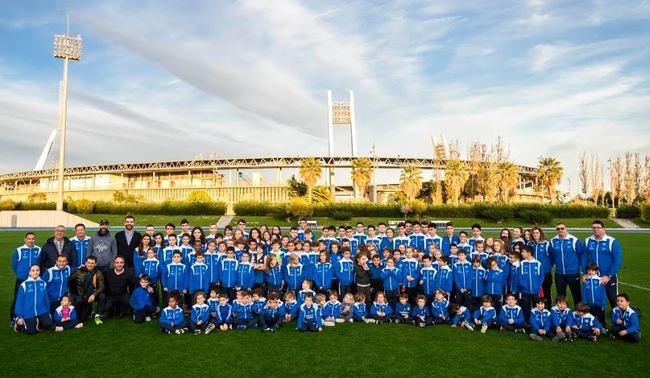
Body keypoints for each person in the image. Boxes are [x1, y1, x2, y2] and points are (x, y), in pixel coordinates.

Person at [584, 220, 622, 309]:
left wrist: (609, 275)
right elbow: (584, 258)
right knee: (593, 300)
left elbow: (617, 260)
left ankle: (619, 318)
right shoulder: (587, 241)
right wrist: (586, 273)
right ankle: (594, 319)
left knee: (613, 299)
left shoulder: (612, 241)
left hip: (608, 277)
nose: (595, 229)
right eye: (593, 227)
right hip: (593, 276)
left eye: (598, 227)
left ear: (603, 229)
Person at [550, 223, 584, 305]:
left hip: (573, 273)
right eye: (558, 229)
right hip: (559, 273)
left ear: (566, 229)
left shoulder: (574, 240)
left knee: (576, 295)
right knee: (561, 296)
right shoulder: (553, 241)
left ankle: (579, 313)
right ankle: (562, 314)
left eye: (562, 228)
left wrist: (582, 270)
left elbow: (582, 255)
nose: (560, 230)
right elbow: (551, 256)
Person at [11, 232, 41, 323]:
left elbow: (39, 263)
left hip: (34, 278)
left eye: (32, 239)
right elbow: (14, 264)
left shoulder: (38, 249)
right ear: (25, 239)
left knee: (31, 297)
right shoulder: (19, 250)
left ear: (35, 239)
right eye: (29, 238)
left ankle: (30, 315)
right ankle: (14, 317)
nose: (31, 240)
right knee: (18, 298)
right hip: (22, 278)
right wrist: (20, 274)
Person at [14, 265, 52, 335]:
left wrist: (48, 313)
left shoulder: (43, 283)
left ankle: (38, 320)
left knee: (49, 325)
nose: (35, 272)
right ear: (29, 272)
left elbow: (46, 299)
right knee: (32, 332)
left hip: (41, 310)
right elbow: (19, 301)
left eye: (37, 270)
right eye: (33, 270)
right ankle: (18, 323)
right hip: (28, 311)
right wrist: (20, 316)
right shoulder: (24, 285)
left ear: (40, 271)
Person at [69, 256, 105, 324]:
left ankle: (98, 315)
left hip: (92, 294)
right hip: (82, 296)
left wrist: (94, 294)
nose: (90, 265)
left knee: (102, 295)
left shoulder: (98, 273)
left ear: (95, 264)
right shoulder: (78, 271)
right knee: (83, 319)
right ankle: (87, 311)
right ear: (85, 263)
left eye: (92, 263)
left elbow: (101, 286)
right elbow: (71, 283)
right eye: (88, 262)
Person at [529, 226, 552, 308]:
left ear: (540, 233)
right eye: (534, 233)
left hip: (545, 272)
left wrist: (547, 266)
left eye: (537, 233)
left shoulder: (546, 243)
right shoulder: (529, 244)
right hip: (533, 273)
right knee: (535, 293)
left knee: (546, 292)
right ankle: (536, 311)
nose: (535, 234)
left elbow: (552, 257)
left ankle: (548, 310)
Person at [518, 245, 543, 321]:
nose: (521, 253)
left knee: (537, 306)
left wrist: (538, 285)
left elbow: (541, 276)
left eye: (523, 252)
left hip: (536, 290)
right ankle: (528, 321)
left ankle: (537, 320)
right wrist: (523, 285)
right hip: (525, 290)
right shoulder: (522, 263)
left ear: (529, 253)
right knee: (526, 306)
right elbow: (519, 276)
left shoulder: (538, 263)